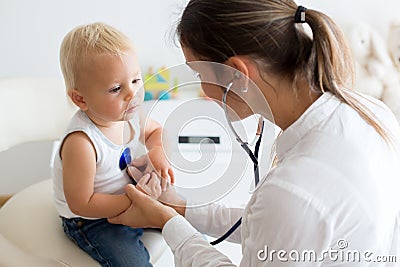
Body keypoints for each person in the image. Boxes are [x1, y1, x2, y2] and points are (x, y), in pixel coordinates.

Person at [109, 1, 400, 266]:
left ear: (237, 73)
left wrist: (168, 223)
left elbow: (282, 212)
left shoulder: (293, 191)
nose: (204, 91)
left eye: (200, 75)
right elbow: (273, 227)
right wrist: (180, 207)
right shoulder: (372, 112)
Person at [53, 22, 174, 267]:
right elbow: (82, 202)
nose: (132, 94)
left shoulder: (130, 113)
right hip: (91, 219)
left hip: (129, 192)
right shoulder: (82, 142)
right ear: (80, 99)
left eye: (136, 80)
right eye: (116, 88)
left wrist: (158, 152)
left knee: (184, 221)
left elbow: (155, 131)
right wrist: (136, 201)